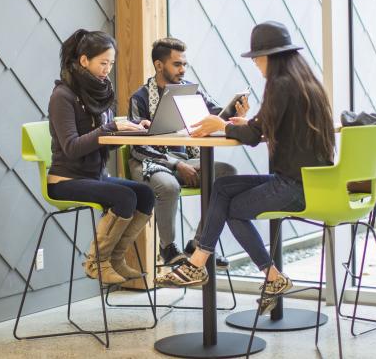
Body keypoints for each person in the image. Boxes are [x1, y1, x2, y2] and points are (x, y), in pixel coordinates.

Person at [155, 22, 336, 316]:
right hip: (311, 182)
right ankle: (252, 274)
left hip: (295, 186)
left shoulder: (280, 84)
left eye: (256, 58)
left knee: (231, 207)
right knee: (223, 188)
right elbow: (263, 128)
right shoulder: (304, 82)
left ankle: (201, 265)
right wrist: (245, 124)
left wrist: (223, 124)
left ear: (268, 56)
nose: (255, 64)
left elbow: (252, 137)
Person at [127, 37, 249, 268]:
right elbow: (138, 147)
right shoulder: (140, 98)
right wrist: (176, 165)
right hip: (148, 163)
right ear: (159, 65)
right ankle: (167, 248)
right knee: (169, 186)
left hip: (186, 160)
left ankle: (200, 244)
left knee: (227, 174)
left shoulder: (191, 91)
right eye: (177, 64)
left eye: (184, 64)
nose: (183, 69)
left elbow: (216, 115)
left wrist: (236, 114)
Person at [47, 29, 156, 285]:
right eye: (103, 63)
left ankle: (115, 259)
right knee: (124, 197)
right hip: (65, 180)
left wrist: (131, 131)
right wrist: (109, 128)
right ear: (84, 60)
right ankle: (96, 262)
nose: (107, 70)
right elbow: (72, 147)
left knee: (145, 194)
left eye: (111, 63)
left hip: (95, 176)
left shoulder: (99, 92)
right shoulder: (62, 96)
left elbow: (103, 143)